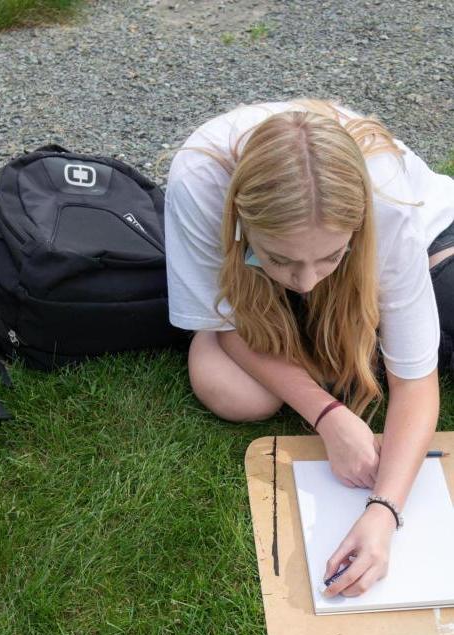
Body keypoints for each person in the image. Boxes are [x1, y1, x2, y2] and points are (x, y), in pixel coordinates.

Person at [164, 97, 454, 599]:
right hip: (260, 280)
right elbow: (224, 321)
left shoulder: (386, 205)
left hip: (426, 246)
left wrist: (384, 512)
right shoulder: (197, 181)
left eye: (328, 258)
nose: (305, 282)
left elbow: (415, 381)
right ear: (240, 220)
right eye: (281, 259)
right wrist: (329, 416)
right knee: (233, 390)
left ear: (355, 232)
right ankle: (328, 341)